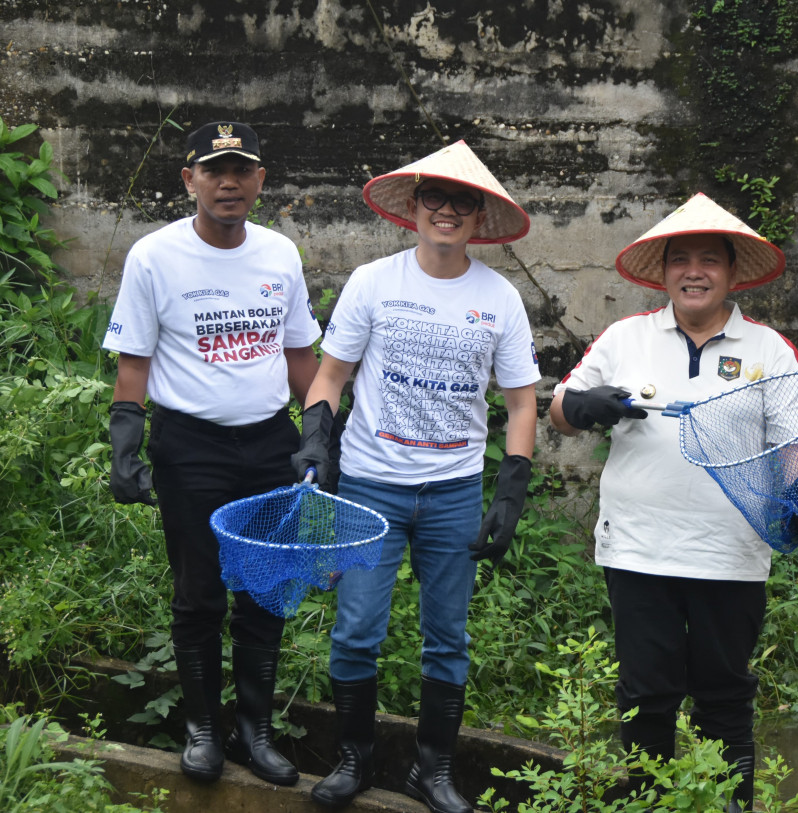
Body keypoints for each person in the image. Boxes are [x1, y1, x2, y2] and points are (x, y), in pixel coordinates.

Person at [293, 140, 539, 812]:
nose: (448, 211)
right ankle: (354, 758)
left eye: (464, 201)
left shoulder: (499, 299)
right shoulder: (374, 282)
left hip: (454, 490)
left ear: (480, 216)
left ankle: (431, 772)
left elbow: (522, 402)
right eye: (437, 196)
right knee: (356, 627)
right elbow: (332, 375)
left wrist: (509, 491)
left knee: (448, 636)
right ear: (414, 206)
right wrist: (317, 440)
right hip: (371, 485)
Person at [549, 193, 798, 813]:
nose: (695, 271)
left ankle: (731, 806)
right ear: (662, 274)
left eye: (709, 260)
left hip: (732, 556)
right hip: (639, 551)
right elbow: (559, 408)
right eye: (680, 259)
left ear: (732, 273)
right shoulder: (625, 337)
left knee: (725, 695)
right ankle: (651, 806)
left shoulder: (770, 350)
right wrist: (582, 407)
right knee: (647, 697)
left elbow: (797, 448)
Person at [103, 121, 321, 786]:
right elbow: (133, 365)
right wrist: (124, 444)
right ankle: (202, 730)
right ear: (189, 179)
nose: (228, 182)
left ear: (260, 179)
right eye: (213, 169)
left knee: (265, 590)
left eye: (241, 169)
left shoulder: (280, 255)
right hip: (190, 446)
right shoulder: (153, 257)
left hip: (267, 443)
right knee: (199, 594)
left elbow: (301, 358)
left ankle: (254, 732)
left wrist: (319, 434)